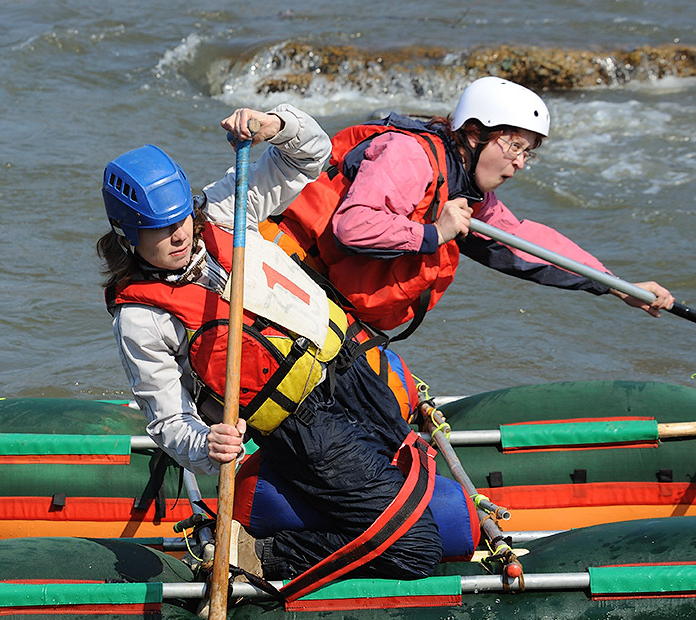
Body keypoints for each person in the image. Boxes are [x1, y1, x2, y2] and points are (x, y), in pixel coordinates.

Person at [97, 105, 476, 590]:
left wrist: (277, 126)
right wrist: (206, 445)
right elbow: (170, 421)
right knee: (415, 547)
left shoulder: (224, 211)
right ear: (129, 237)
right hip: (307, 429)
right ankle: (255, 553)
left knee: (409, 485)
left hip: (355, 373)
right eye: (157, 229)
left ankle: (303, 522)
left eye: (180, 219)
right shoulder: (141, 318)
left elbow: (311, 157)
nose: (178, 235)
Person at [260, 76, 675, 335]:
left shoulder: (465, 189)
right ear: (474, 134)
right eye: (513, 146)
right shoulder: (409, 154)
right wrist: (433, 233)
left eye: (528, 153)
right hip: (278, 275)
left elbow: (524, 245)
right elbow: (354, 226)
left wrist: (616, 286)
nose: (519, 164)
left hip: (320, 296)